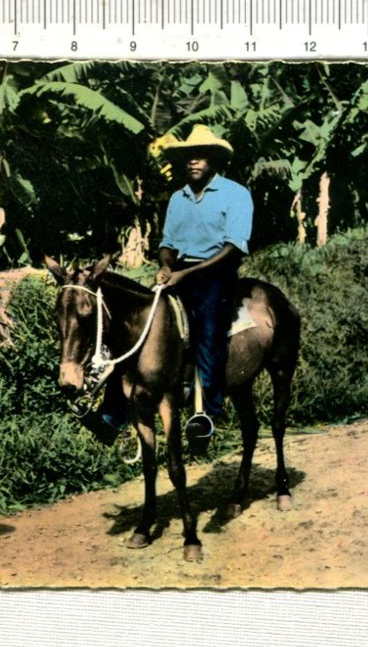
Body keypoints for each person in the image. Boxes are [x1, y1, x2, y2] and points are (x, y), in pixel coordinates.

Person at [95, 125, 252, 444]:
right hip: (179, 271)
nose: (194, 161)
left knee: (208, 328)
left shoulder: (235, 193)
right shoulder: (178, 199)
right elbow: (167, 243)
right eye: (189, 156)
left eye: (201, 156)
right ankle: (112, 414)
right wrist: (166, 265)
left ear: (213, 160)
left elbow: (233, 246)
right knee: (137, 326)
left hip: (216, 272)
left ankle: (206, 412)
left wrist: (187, 274)